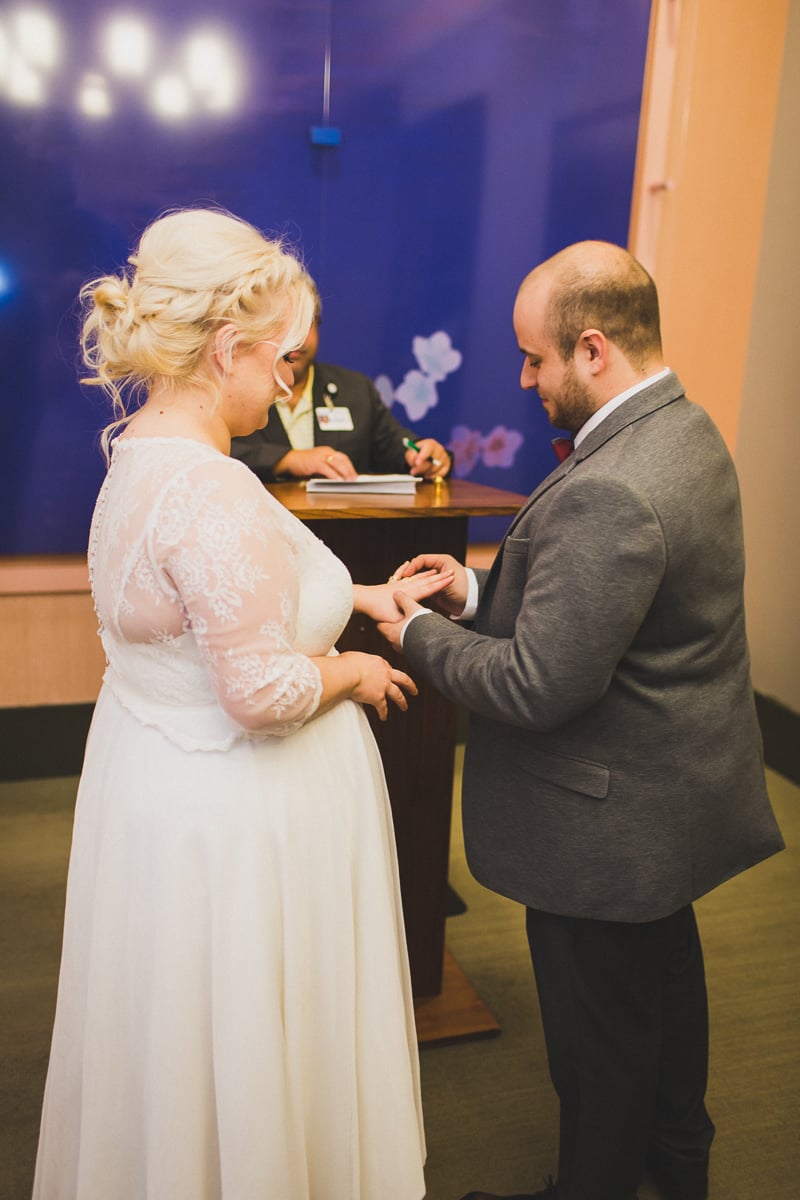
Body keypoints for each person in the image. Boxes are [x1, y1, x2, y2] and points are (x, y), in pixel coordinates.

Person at [32, 208, 453, 1200]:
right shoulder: (214, 491)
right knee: (256, 1031)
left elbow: (216, 597)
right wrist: (354, 672)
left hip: (158, 798)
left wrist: (352, 595)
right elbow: (259, 689)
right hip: (240, 821)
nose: (287, 383)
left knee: (185, 1038)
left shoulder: (144, 457)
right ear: (228, 350)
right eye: (284, 361)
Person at [377, 241, 784, 1200]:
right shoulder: (685, 429)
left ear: (593, 349)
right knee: (666, 1006)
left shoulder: (611, 484)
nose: (525, 378)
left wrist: (415, 632)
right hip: (669, 805)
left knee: (599, 1054)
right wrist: (475, 591)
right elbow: (616, 609)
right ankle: (679, 1168)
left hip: (605, 830)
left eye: (535, 358)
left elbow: (536, 685)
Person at [230, 282, 452, 481]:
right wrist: (287, 460)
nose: (295, 340)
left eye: (305, 325)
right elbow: (212, 452)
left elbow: (396, 446)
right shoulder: (235, 387)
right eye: (283, 327)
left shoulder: (355, 390)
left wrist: (423, 454)